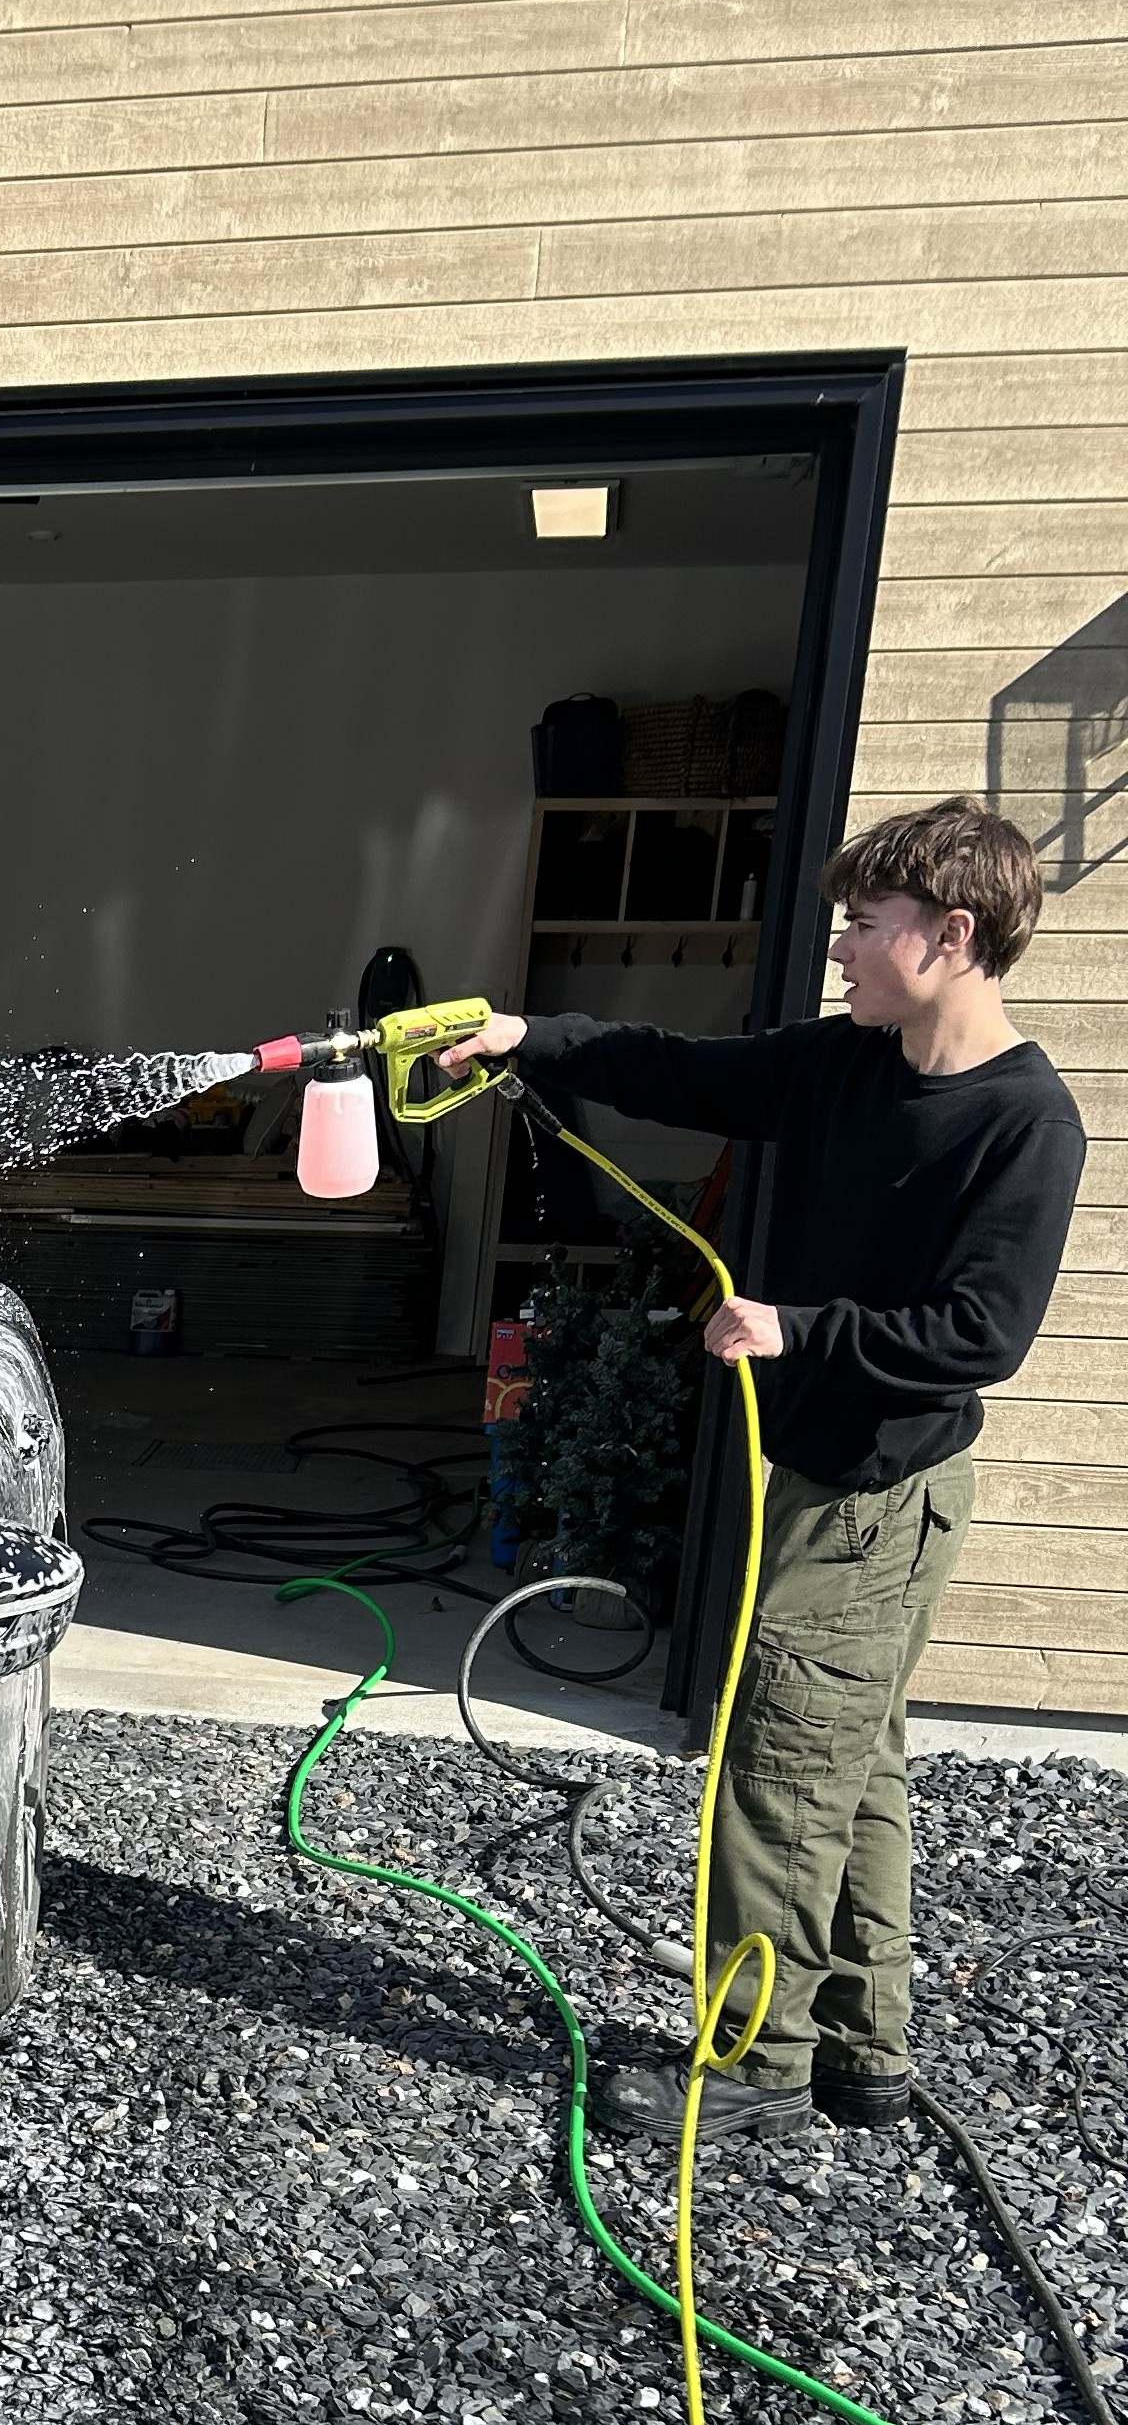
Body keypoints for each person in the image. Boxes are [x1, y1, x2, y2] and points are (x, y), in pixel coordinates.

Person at [442, 798, 1086, 2146]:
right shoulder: (850, 1062)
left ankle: (756, 2063)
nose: (841, 948)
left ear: (951, 935)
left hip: (876, 1499)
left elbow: (983, 1334)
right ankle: (862, 2046)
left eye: (866, 923)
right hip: (826, 1484)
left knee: (779, 1776)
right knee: (858, 1764)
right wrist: (522, 1036)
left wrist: (799, 1330)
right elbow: (682, 1071)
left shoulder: (1024, 1122)